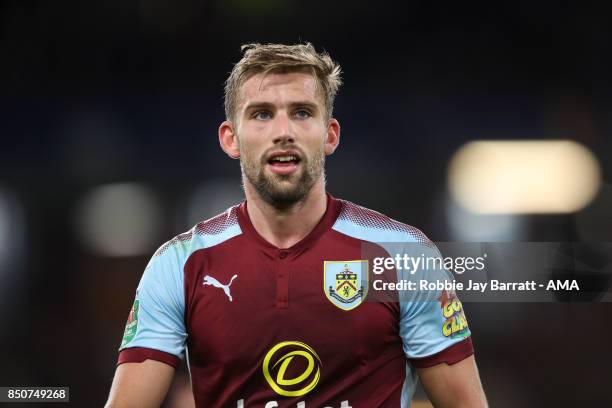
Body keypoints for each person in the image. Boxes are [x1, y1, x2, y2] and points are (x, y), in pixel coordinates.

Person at [106, 43, 488, 408]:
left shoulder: (403, 255)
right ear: (230, 139)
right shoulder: (180, 265)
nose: (283, 130)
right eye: (261, 114)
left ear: (330, 135)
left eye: (302, 112)